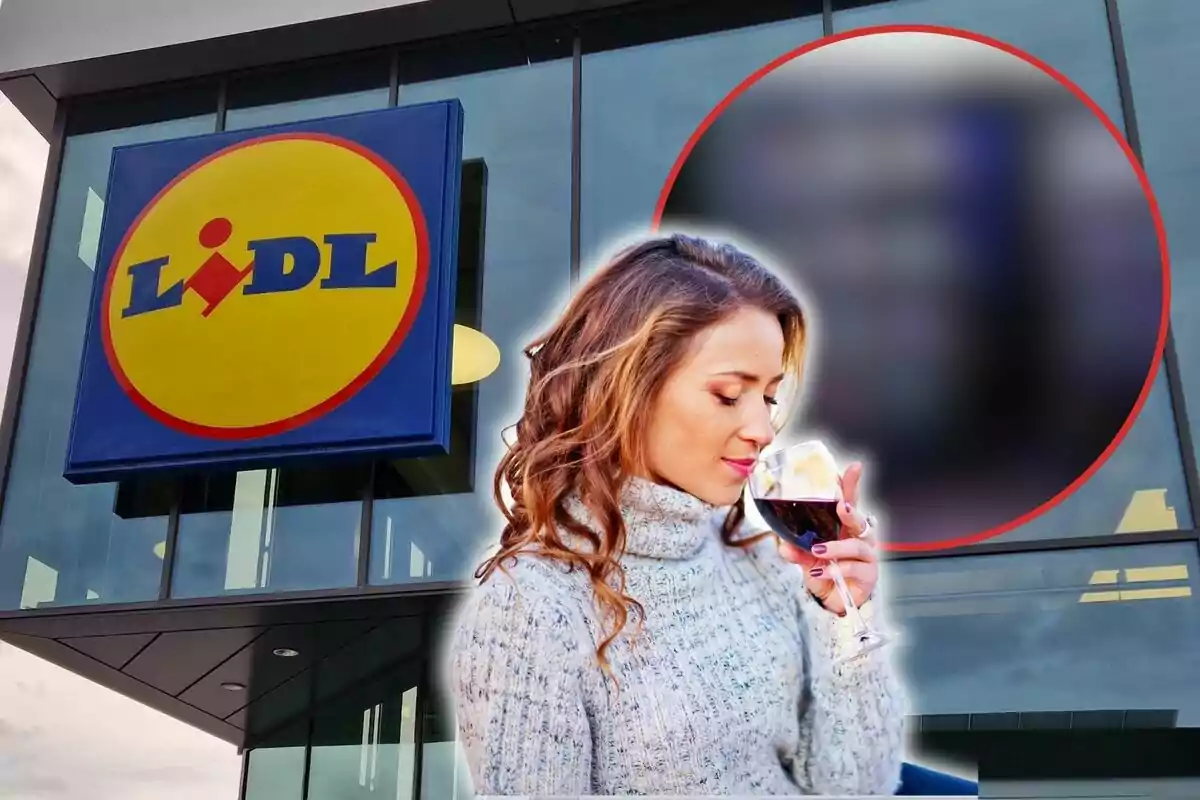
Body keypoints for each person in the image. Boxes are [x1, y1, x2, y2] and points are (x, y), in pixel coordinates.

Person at [446, 234, 962, 796]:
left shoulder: (761, 565)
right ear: (627, 390)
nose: (763, 430)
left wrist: (843, 619)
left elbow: (854, 786)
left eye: (767, 397)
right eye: (727, 394)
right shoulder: (534, 605)